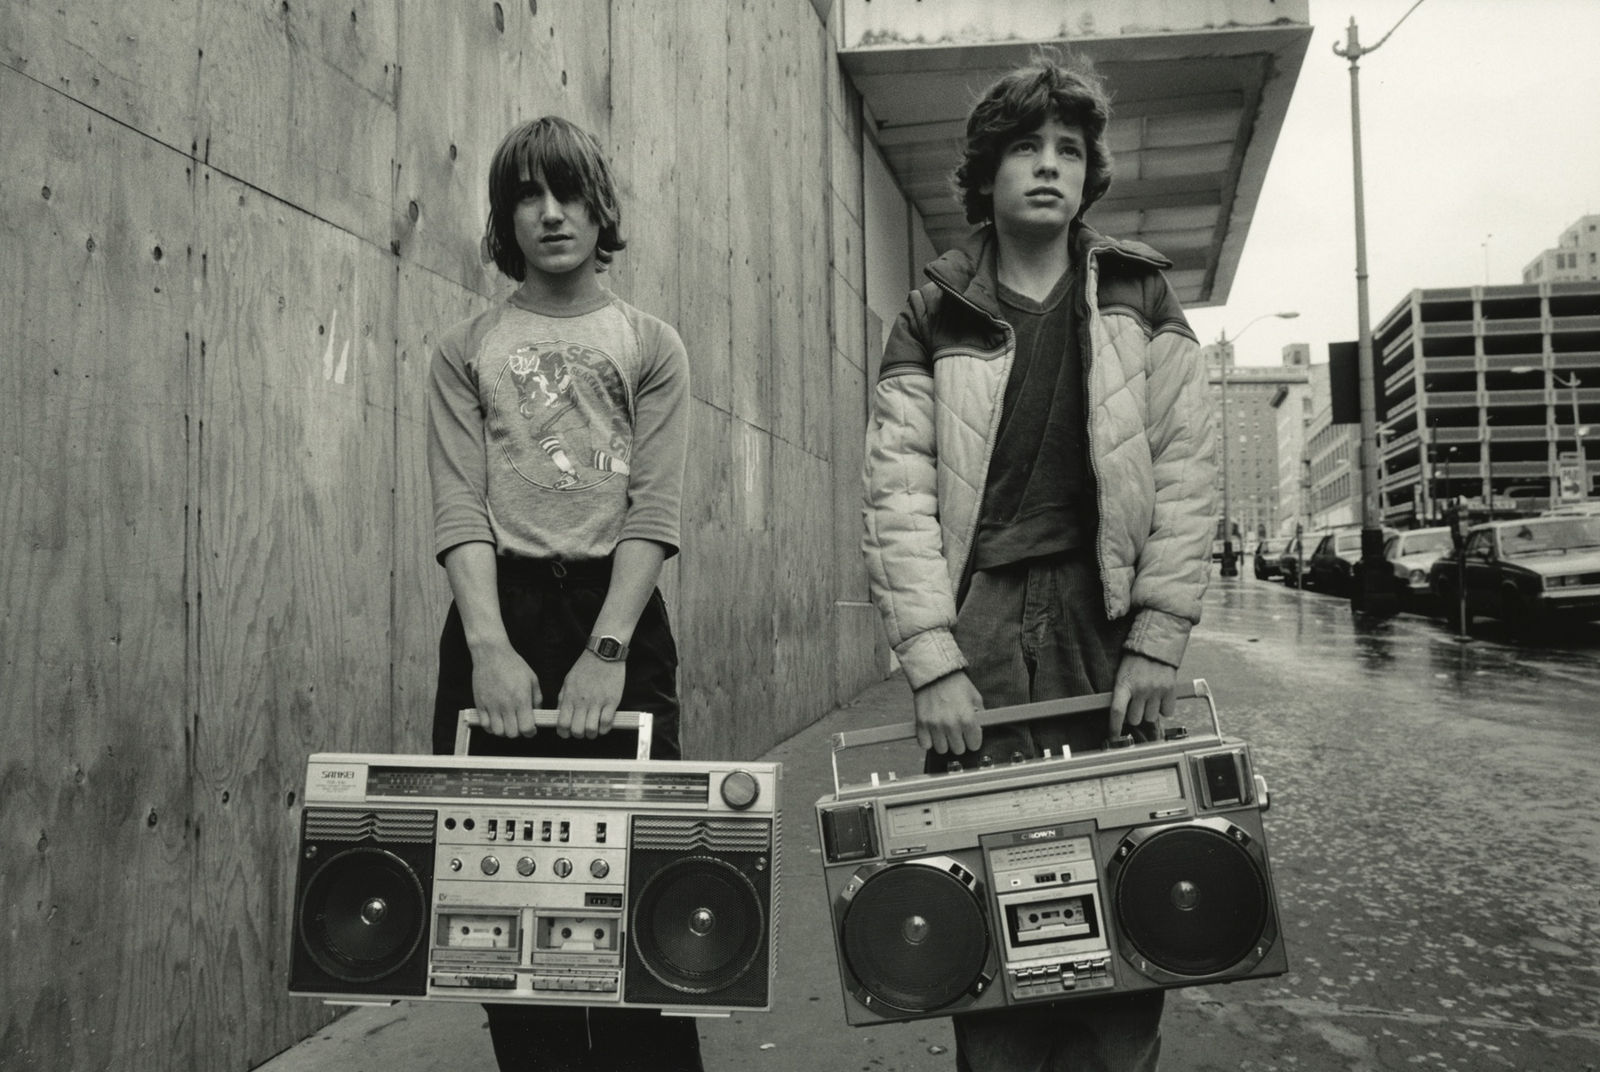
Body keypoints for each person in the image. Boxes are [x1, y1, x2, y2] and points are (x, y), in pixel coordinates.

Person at [860, 54, 1217, 1072]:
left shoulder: (1140, 292)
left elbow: (1187, 468)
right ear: (985, 173)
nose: (1049, 164)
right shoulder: (933, 310)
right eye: (1025, 147)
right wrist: (932, 659)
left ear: (1089, 172)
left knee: (1126, 899)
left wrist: (1156, 637)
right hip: (981, 631)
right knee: (987, 910)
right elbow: (896, 492)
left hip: (1105, 625)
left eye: (1067, 147)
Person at [426, 115, 699, 1072]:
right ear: (504, 218)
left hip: (616, 611)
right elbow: (459, 505)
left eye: (569, 194)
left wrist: (608, 650)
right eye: (528, 197)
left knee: (639, 898)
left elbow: (653, 509)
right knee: (499, 901)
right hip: (496, 611)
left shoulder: (651, 343)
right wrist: (489, 649)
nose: (551, 214)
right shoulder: (465, 346)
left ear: (600, 208)